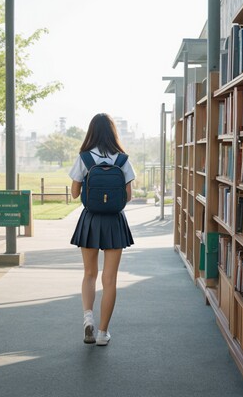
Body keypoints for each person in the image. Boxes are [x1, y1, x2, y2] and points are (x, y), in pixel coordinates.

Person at [69, 113, 136, 346]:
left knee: (89, 274)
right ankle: (102, 333)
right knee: (110, 279)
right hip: (115, 222)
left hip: (90, 220)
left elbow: (75, 193)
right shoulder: (123, 159)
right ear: (113, 132)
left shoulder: (84, 158)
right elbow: (128, 196)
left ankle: (88, 317)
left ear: (92, 132)